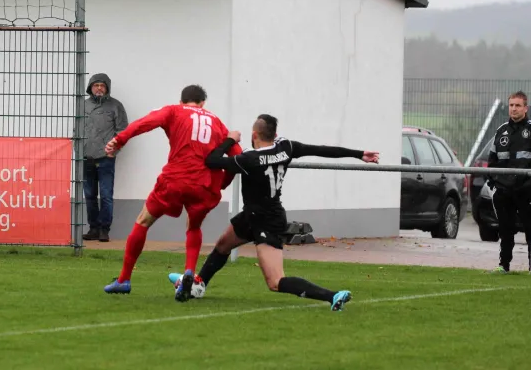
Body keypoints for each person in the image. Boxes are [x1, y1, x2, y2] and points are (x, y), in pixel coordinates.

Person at [168, 114, 379, 310]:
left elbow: (212, 161)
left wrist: (230, 139)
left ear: (254, 135)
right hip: (253, 214)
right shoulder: (284, 148)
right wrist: (358, 154)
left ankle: (333, 296)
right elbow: (321, 149)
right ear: (275, 135)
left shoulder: (248, 159)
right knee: (223, 244)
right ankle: (199, 284)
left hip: (266, 221)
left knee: (275, 282)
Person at [102, 85, 243, 301]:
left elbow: (144, 123)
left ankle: (124, 280)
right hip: (204, 185)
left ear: (181, 101)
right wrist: (222, 184)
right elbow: (236, 157)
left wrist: (120, 139)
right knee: (193, 226)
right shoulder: (216, 121)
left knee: (143, 220)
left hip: (175, 180)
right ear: (203, 103)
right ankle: (188, 271)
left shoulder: (174, 111)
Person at [487, 90, 531, 274]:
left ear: (525, 108)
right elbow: (492, 162)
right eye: (511, 105)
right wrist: (496, 184)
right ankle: (504, 266)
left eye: (518, 105)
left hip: (527, 189)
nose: (514, 109)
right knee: (505, 231)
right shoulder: (501, 131)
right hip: (504, 191)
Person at [83, 73, 129, 242]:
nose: (99, 88)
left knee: (106, 194)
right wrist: (78, 149)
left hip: (106, 158)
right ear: (90, 88)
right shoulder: (83, 105)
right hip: (86, 157)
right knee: (89, 195)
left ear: (107, 88)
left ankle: (104, 229)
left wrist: (113, 151)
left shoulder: (116, 106)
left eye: (102, 85)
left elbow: (123, 131)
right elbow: (77, 128)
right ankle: (93, 228)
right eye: (96, 85)